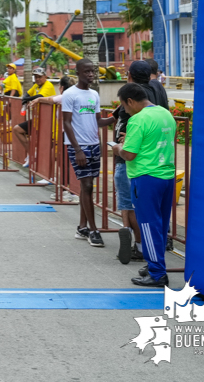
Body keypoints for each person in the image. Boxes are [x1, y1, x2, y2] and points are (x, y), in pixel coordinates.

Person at [114, 83, 177, 287]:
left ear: (130, 101)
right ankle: (154, 265)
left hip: (145, 177)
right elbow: (155, 140)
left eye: (124, 105)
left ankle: (157, 273)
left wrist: (117, 148)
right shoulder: (165, 114)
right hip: (167, 176)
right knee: (159, 225)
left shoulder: (137, 120)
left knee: (148, 226)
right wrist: (130, 140)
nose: (124, 109)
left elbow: (129, 154)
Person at [61, 58, 113, 248]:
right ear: (78, 73)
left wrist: (116, 116)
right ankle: (93, 230)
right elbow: (66, 123)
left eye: (93, 71)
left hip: (94, 145)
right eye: (87, 72)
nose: (91, 75)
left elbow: (98, 121)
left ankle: (82, 227)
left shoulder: (94, 94)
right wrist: (77, 149)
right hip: (78, 146)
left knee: (87, 188)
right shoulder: (70, 94)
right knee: (88, 186)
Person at [111, 63, 157, 265]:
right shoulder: (158, 92)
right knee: (148, 208)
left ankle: (136, 242)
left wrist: (121, 146)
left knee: (128, 203)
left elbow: (128, 153)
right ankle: (149, 248)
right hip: (159, 166)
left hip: (133, 162)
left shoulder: (137, 108)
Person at [14, 74, 73, 168]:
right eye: (36, 77)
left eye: (39, 77)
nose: (37, 79)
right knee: (17, 129)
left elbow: (46, 97)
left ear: (45, 77)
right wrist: (27, 98)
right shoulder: (37, 86)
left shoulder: (50, 87)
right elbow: (28, 93)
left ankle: (51, 176)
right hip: (40, 120)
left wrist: (33, 99)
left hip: (50, 123)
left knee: (50, 151)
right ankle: (32, 156)